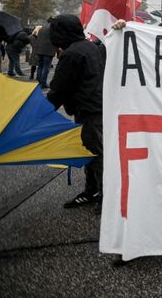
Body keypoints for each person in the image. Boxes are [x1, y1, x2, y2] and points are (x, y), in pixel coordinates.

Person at [46, 14, 105, 208]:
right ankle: (93, 191)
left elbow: (59, 89)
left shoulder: (72, 53)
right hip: (98, 107)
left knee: (95, 154)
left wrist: (40, 113)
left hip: (88, 110)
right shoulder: (91, 47)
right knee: (93, 152)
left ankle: (103, 196)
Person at [33, 19, 57, 89]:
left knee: (40, 66)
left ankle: (38, 81)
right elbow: (55, 39)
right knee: (46, 67)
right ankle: (43, 83)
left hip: (40, 50)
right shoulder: (53, 29)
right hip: (48, 51)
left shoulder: (42, 28)